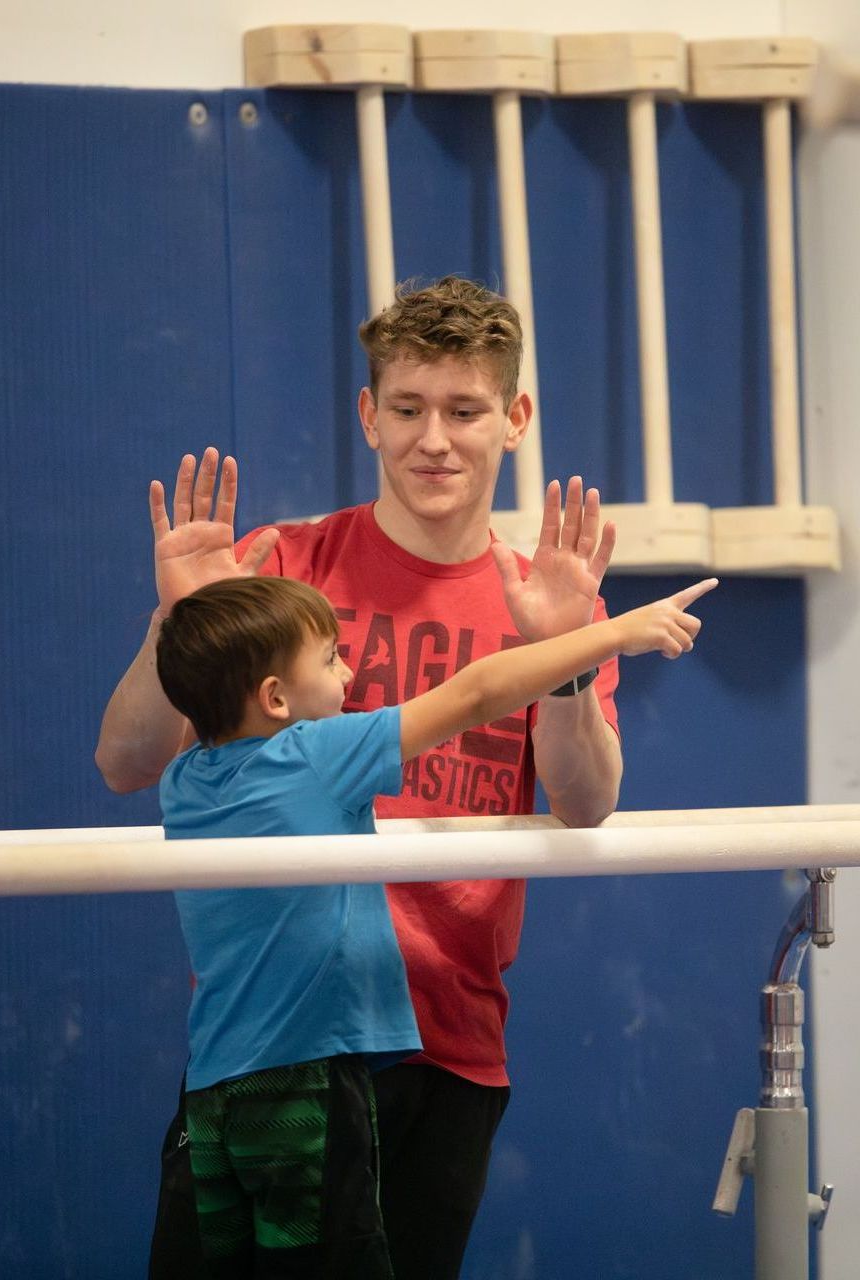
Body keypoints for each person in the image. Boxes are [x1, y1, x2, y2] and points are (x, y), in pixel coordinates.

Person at [95, 276, 626, 1279]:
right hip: (275, 1038)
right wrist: (180, 625)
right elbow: (127, 763)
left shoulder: (545, 597)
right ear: (368, 415)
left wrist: (572, 656)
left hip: (447, 1039)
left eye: (465, 410)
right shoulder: (278, 564)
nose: (435, 439)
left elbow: (586, 799)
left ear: (514, 419)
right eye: (410, 407)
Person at [154, 570, 715, 1279]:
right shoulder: (314, 754)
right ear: (275, 699)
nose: (350, 671)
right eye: (330, 659)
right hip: (309, 1087)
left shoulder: (184, 781)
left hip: (211, 1088)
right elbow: (477, 693)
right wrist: (609, 635)